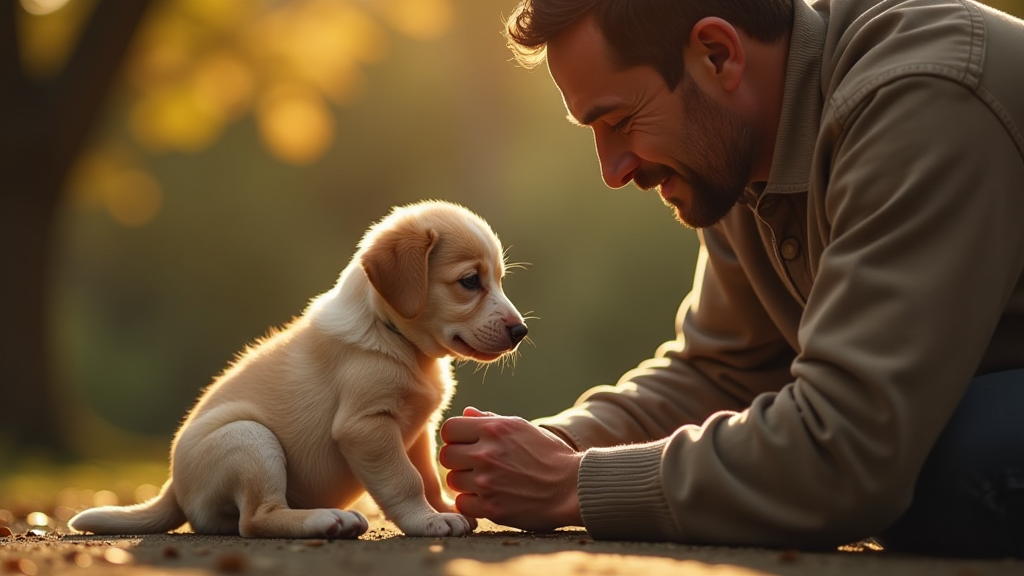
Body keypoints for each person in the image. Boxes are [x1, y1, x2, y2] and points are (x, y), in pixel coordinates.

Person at [437, 0, 1024, 557]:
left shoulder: (921, 96)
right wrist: (552, 446)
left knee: (948, 462)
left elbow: (847, 450)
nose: (613, 171)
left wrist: (571, 485)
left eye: (620, 120)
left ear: (717, 54)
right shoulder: (738, 153)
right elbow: (722, 374)